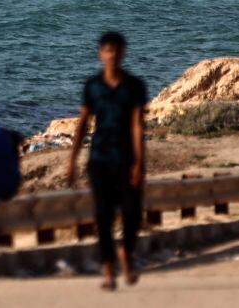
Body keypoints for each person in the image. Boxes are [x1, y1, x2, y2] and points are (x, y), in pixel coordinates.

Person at [67, 31, 147, 291]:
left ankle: (126, 251)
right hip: (100, 158)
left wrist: (138, 162)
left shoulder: (134, 86)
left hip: (126, 158)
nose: (112, 55)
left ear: (123, 53)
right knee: (103, 215)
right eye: (108, 50)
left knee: (132, 213)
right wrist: (72, 159)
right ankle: (109, 271)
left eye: (117, 50)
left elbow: (137, 125)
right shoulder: (92, 86)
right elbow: (82, 123)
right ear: (101, 54)